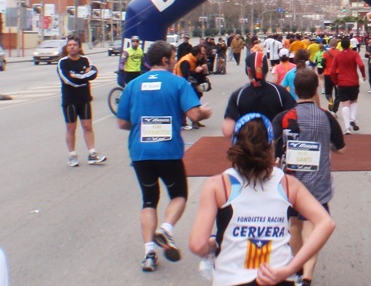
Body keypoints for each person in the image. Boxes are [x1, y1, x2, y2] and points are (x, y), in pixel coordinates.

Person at [189, 114, 334, 286]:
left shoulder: (217, 185)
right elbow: (324, 223)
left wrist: (215, 244)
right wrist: (291, 267)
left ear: (236, 146)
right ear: (271, 148)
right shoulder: (287, 184)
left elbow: (197, 244)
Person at [116, 40, 212, 272]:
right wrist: (204, 113)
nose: (175, 61)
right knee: (178, 194)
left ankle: (149, 252)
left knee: (149, 199)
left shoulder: (133, 85)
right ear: (165, 60)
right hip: (168, 151)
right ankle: (166, 229)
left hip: (140, 151)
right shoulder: (178, 83)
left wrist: (141, 127)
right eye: (172, 57)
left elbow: (122, 122)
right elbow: (193, 113)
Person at [272, 69, 346, 286]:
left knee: (294, 225)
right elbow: (341, 149)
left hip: (290, 184)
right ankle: (306, 283)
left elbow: (273, 150)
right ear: (316, 90)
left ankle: (295, 271)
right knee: (312, 228)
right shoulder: (327, 117)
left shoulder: (283, 117)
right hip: (318, 184)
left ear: (294, 90)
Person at [222, 51, 296, 138]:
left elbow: (227, 131)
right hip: (273, 144)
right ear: (266, 70)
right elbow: (294, 117)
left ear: (248, 71)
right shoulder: (279, 92)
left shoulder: (239, 95)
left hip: (247, 144)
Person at [57, 37, 106, 167]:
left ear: (79, 47)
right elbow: (68, 80)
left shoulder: (86, 60)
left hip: (84, 99)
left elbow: (94, 73)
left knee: (88, 126)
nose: (72, 47)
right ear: (67, 48)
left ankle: (92, 153)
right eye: (69, 45)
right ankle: (72, 155)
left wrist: (77, 75)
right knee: (71, 128)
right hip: (70, 100)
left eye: (74, 45)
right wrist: (84, 76)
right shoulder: (63, 63)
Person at [330, 38, 366, 133]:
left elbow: (332, 71)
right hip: (353, 81)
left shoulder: (338, 56)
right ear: (350, 45)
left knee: (345, 104)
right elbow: (361, 65)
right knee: (354, 101)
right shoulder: (355, 54)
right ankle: (352, 119)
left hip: (342, 82)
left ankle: (347, 128)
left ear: (341, 45)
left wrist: (335, 81)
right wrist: (363, 75)